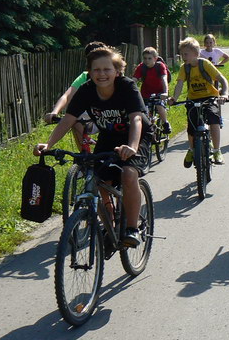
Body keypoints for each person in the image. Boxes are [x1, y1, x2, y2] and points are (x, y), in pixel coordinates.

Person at [35, 45, 151, 247]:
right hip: (109, 136)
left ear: (117, 71)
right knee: (97, 179)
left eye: (107, 69)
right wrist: (49, 144)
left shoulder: (127, 87)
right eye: (96, 70)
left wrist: (131, 146)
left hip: (136, 137)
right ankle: (110, 224)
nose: (102, 74)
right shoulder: (86, 91)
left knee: (128, 174)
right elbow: (68, 121)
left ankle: (132, 229)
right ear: (89, 72)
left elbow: (136, 121)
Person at [168, 37, 229, 165]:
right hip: (193, 99)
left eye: (186, 54)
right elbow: (179, 84)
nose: (183, 56)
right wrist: (174, 98)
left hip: (210, 97)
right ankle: (191, 149)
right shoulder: (184, 68)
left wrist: (224, 93)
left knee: (214, 121)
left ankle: (217, 151)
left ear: (196, 53)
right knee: (191, 126)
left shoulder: (204, 64)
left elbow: (222, 79)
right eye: (182, 53)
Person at [43, 41, 106, 149]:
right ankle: (84, 155)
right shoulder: (84, 77)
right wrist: (55, 112)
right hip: (93, 116)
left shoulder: (114, 75)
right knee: (75, 119)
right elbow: (67, 95)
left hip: (112, 118)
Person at [133, 47, 171, 135]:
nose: (147, 61)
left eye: (149, 58)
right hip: (146, 93)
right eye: (145, 58)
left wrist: (165, 92)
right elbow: (134, 80)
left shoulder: (160, 66)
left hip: (160, 93)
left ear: (155, 58)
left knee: (159, 105)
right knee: (144, 113)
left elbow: (164, 79)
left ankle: (165, 123)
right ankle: (148, 130)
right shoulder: (141, 67)